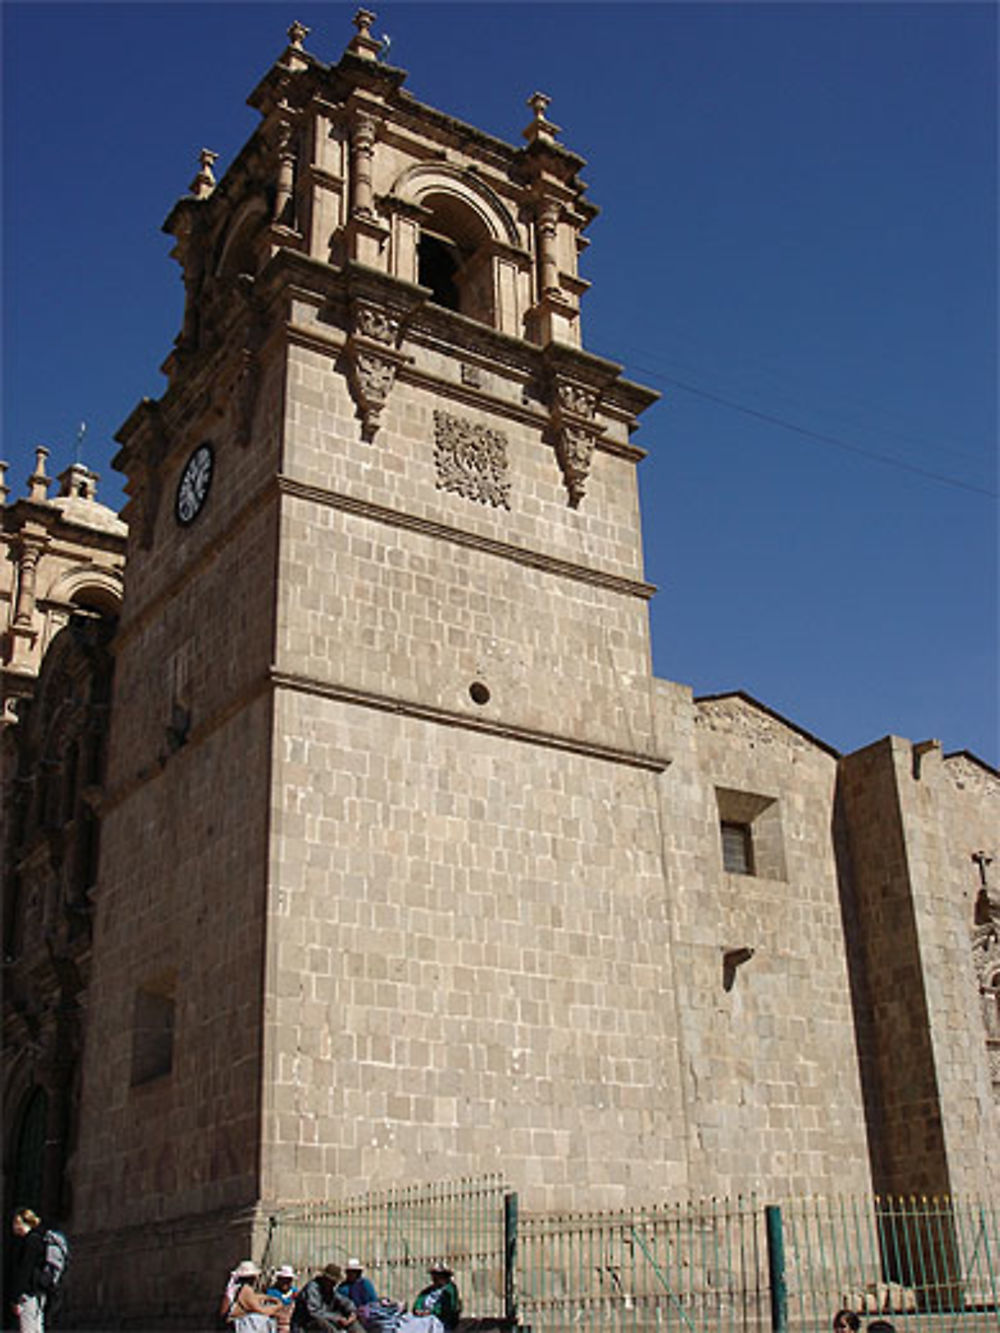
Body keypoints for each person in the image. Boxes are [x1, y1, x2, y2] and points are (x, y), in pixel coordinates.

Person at [10, 1209, 52, 1333]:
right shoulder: (40, 1239)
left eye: (15, 1223)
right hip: (39, 1290)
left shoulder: (29, 1242)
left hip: (28, 1291)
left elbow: (25, 1270)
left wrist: (16, 1297)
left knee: (28, 1328)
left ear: (20, 1223)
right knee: (37, 1326)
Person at [292, 1264, 360, 1332]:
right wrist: (337, 1318)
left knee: (353, 1325)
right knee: (324, 1324)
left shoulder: (330, 1291)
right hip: (305, 1324)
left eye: (334, 1282)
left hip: (327, 1319)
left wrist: (351, 1312)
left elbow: (343, 1300)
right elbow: (314, 1312)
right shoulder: (312, 1289)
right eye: (331, 1281)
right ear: (325, 1279)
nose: (333, 1285)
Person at [221, 1260, 282, 1333]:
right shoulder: (246, 1290)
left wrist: (268, 1298)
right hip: (234, 1326)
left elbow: (253, 1298)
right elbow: (262, 1311)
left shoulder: (237, 1287)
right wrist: (278, 1306)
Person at [410, 1265, 461, 1332]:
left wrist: (431, 1312)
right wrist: (418, 1309)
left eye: (438, 1275)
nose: (435, 1278)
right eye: (434, 1275)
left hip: (440, 1320)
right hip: (422, 1318)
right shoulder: (429, 1290)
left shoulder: (449, 1290)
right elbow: (419, 1300)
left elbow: (447, 1308)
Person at [267, 1266, 300, 1333]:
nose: (286, 1283)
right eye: (283, 1280)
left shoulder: (295, 1292)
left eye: (288, 1280)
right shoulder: (271, 1293)